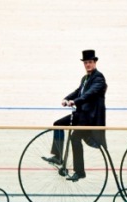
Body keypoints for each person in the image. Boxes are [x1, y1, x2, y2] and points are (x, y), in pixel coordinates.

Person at [41, 50, 108, 182]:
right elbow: (78, 92)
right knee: (58, 124)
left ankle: (80, 171)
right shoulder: (85, 78)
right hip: (80, 115)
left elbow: (89, 94)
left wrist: (75, 101)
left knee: (75, 137)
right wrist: (67, 98)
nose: (87, 65)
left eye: (90, 62)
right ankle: (58, 156)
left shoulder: (99, 78)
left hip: (90, 120)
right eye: (86, 62)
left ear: (95, 63)